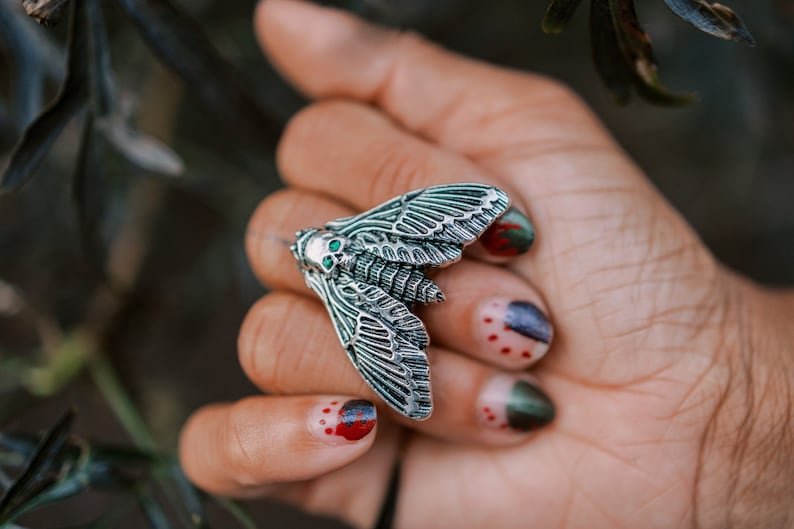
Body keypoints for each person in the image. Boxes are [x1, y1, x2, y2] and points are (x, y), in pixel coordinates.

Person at [178, 1, 794, 527]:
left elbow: (378, 320)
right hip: (406, 268)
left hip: (392, 291)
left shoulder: (337, 289)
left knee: (367, 337)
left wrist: (730, 412)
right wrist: (724, 453)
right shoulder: (358, 242)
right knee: (364, 336)